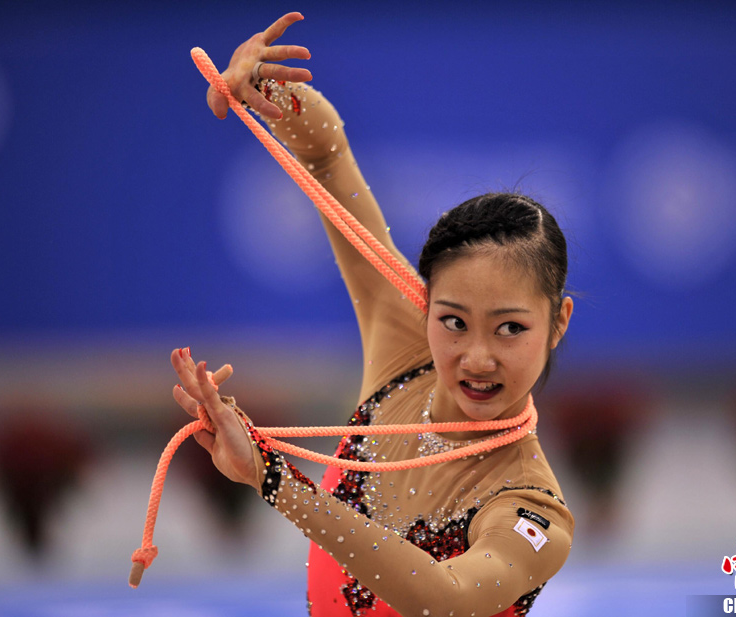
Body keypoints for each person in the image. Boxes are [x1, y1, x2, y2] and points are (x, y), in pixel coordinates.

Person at [170, 12, 574, 617]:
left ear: (558, 322)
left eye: (510, 328)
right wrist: (269, 91)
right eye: (453, 322)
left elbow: (447, 597)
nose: (477, 357)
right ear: (425, 306)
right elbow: (325, 153)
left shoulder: (531, 508)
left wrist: (272, 477)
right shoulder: (406, 355)